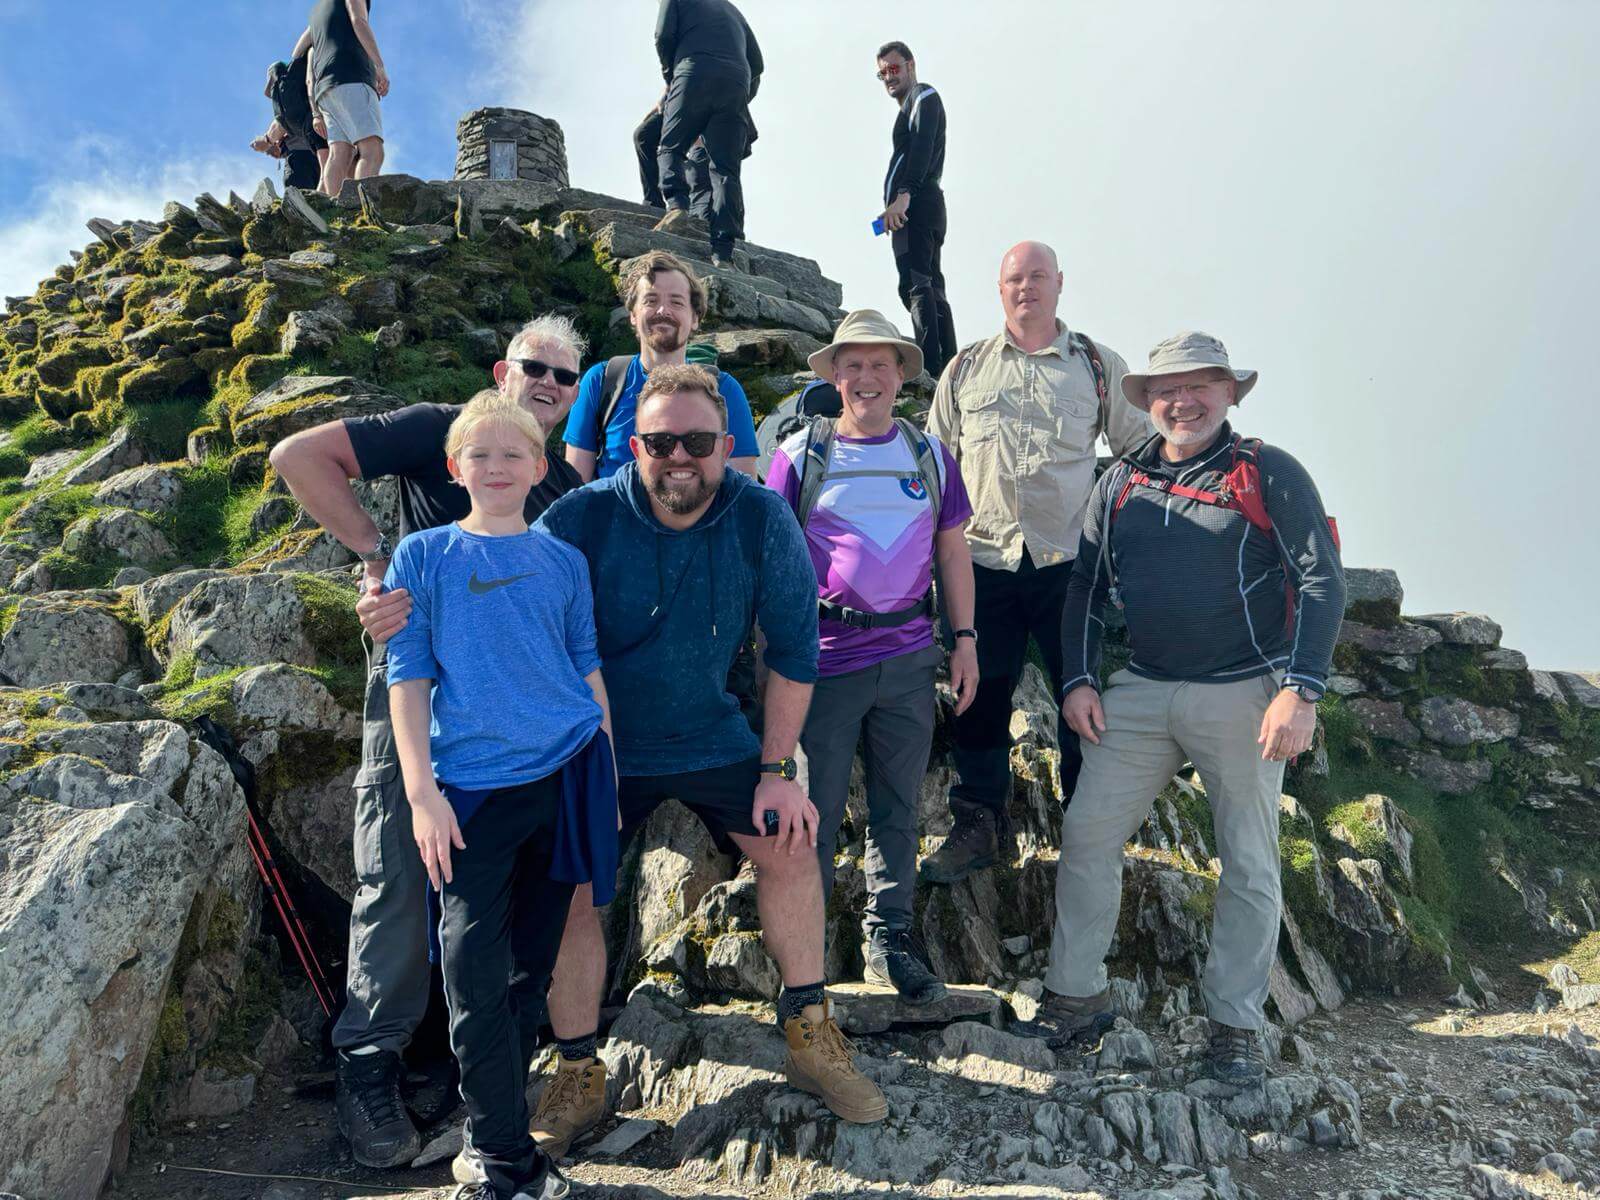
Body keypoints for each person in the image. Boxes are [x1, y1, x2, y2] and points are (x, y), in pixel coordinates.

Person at [269, 315, 587, 1168]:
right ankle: (368, 1061)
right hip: (417, 691)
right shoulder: (436, 430)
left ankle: (457, 1067)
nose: (549, 384)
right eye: (536, 368)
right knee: (400, 870)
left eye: (564, 376)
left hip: (512, 731)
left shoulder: (548, 491)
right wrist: (376, 560)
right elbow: (298, 456)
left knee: (484, 896)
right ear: (502, 368)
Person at [1017, 331, 1346, 1090]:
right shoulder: (1120, 481)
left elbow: (1323, 582)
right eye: (1167, 388)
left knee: (1250, 861)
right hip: (1140, 688)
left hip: (1246, 691)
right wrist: (1076, 680)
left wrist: (1302, 690)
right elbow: (1086, 589)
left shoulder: (1268, 471)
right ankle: (1076, 996)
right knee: (1088, 830)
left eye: (1201, 385)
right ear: (1147, 401)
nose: (1183, 400)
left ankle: (1234, 1027)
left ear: (1230, 393)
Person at [385, 390, 615, 1200]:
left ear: (539, 467)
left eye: (512, 453)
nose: (495, 466)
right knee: (472, 973)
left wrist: (607, 778)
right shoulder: (423, 556)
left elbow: (586, 668)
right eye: (478, 454)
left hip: (567, 775)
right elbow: (407, 680)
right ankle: (505, 1162)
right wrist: (421, 795)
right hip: (470, 795)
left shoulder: (563, 560)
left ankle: (498, 1138)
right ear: (455, 468)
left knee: (529, 972)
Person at [921, 241, 1150, 886]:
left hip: (1070, 565)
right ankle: (978, 824)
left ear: (1059, 285)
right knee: (979, 695)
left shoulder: (1099, 367)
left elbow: (1140, 453)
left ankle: (1088, 829)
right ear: (999, 289)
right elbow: (934, 469)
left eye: (1038, 277)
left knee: (1082, 695)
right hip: (982, 561)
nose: (1027, 288)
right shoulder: (964, 369)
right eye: (1015, 278)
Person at [766, 311, 978, 1005]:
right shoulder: (799, 455)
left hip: (912, 660)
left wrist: (965, 642)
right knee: (813, 816)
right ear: (833, 375)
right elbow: (773, 561)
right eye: (851, 365)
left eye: (879, 364)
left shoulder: (930, 455)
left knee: (898, 810)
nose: (865, 378)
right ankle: (807, 966)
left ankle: (888, 943)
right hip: (823, 664)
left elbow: (953, 553)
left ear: (900, 375)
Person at [564, 250, 759, 482]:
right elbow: (575, 488)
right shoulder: (602, 381)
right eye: (651, 300)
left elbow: (743, 493)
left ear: (695, 318)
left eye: (676, 302)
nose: (663, 310)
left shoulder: (724, 390)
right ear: (633, 315)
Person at [652, 0, 763, 266]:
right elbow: (757, 64)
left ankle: (677, 205)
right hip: (736, 83)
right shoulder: (734, 11)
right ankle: (723, 251)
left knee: (671, 146)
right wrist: (743, 93)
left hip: (693, 71)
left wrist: (672, 76)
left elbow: (663, 36)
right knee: (725, 171)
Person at [876, 41, 955, 379]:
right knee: (928, 281)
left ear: (910, 65)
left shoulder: (923, 97)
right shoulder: (910, 104)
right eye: (882, 73)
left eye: (894, 69)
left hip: (918, 204)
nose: (889, 78)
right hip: (922, 204)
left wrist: (904, 195)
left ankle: (931, 367)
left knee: (916, 281)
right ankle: (947, 365)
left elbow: (922, 145)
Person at [292, 0, 388, 197]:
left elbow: (297, 52)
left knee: (339, 154)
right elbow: (359, 21)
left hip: (325, 88)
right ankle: (359, 210)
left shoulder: (317, 11)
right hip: (351, 75)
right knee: (372, 150)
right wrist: (379, 65)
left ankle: (333, 211)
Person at [253, 51, 328, 191]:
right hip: (324, 152)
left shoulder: (288, 101)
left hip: (300, 156)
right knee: (326, 193)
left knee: (300, 197)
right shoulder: (311, 93)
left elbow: (280, 125)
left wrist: (265, 141)